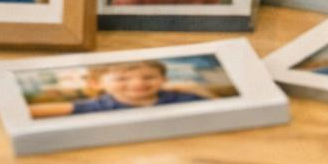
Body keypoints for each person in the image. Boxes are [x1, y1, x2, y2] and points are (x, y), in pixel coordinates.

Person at [31, 61, 207, 117]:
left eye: (148, 77)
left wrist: (191, 89)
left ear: (163, 80)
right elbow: (36, 111)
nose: (138, 84)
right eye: (122, 79)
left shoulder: (182, 98)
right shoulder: (98, 106)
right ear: (96, 84)